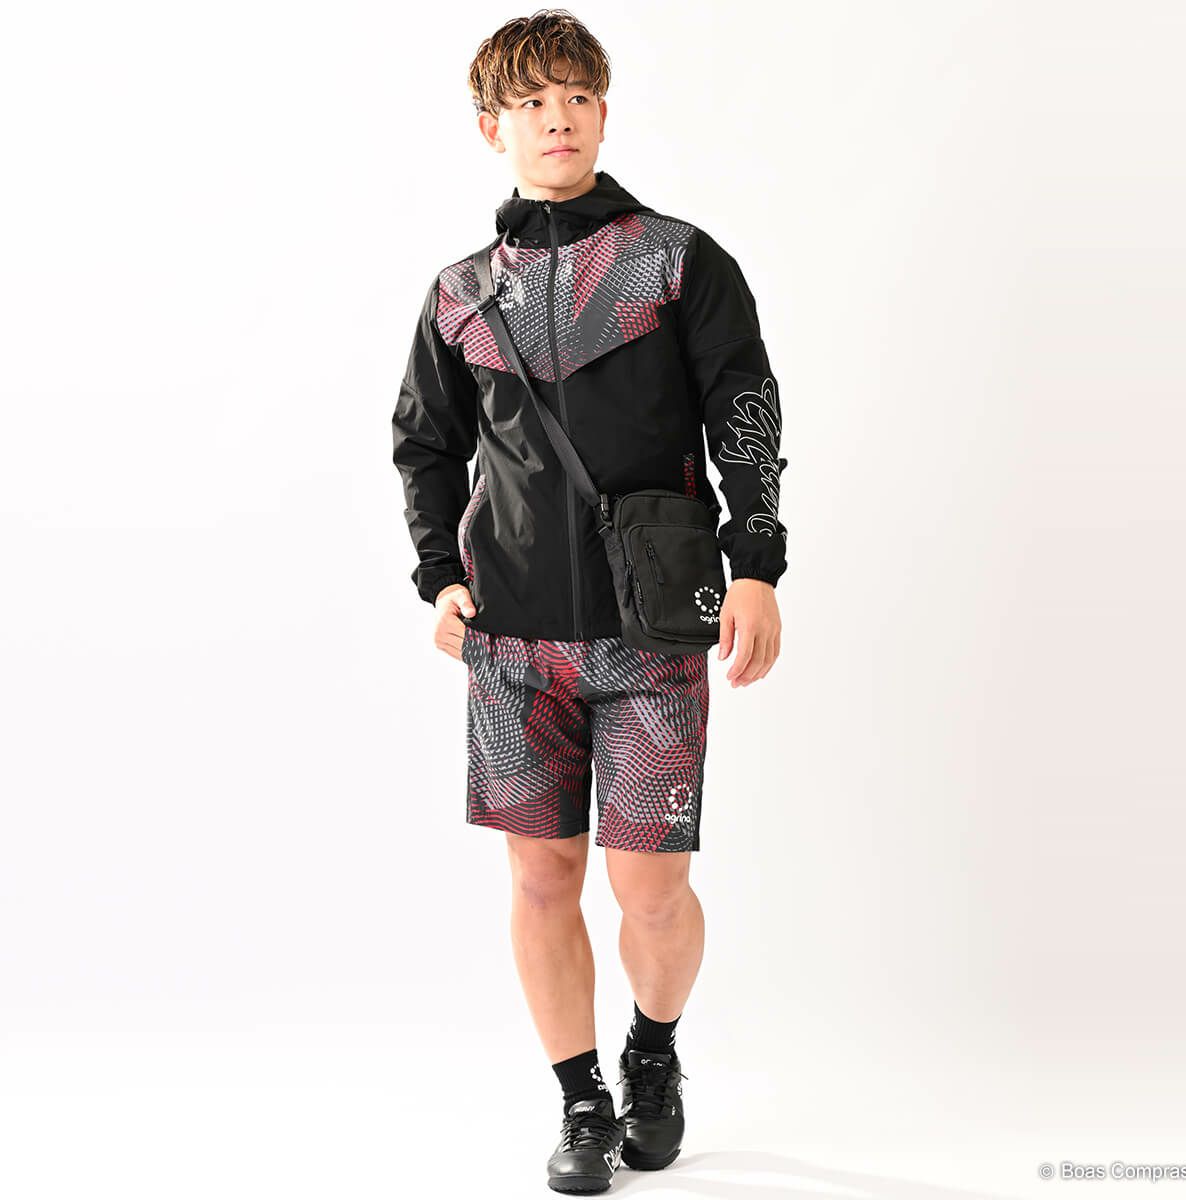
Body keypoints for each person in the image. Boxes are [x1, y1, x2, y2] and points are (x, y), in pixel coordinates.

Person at [391, 9, 787, 1192]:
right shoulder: (462, 295)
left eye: (575, 97)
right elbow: (426, 447)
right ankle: (580, 1098)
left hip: (652, 632)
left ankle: (653, 1053)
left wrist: (756, 564)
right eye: (531, 102)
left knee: (650, 889)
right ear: (492, 127)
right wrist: (440, 575)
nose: (555, 119)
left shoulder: (676, 263)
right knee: (540, 878)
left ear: (604, 114)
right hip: (510, 640)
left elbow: (745, 415)